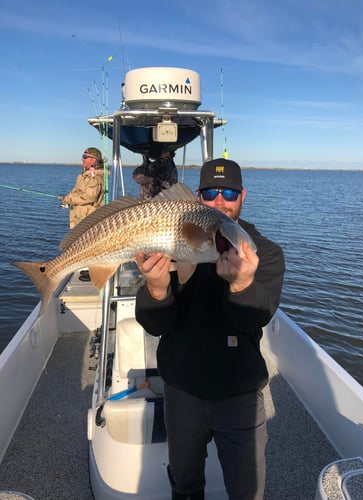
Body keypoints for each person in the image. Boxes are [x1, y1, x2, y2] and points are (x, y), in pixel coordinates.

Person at [135, 158, 285, 500]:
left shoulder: (263, 253)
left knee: (247, 492)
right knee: (185, 486)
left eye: (229, 192)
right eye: (210, 193)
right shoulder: (172, 246)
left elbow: (253, 319)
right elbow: (156, 325)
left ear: (243, 195)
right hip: (182, 391)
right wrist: (156, 289)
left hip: (240, 396)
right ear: (198, 197)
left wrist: (242, 285)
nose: (220, 201)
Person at [62, 147, 106, 229]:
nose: (82, 159)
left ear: (93, 160)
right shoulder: (83, 176)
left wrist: (69, 199)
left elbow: (89, 197)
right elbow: (76, 191)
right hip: (80, 222)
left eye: (85, 157)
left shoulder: (96, 178)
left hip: (88, 224)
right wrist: (67, 198)